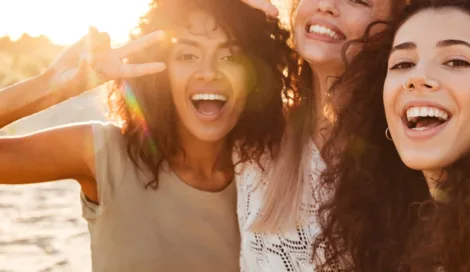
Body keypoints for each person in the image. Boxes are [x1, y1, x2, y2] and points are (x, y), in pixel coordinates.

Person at [233, 0, 470, 271]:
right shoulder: (257, 138)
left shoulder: (420, 155)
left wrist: (444, 12)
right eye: (405, 62)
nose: (326, 4)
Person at [0, 0, 295, 270]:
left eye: (231, 57)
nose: (209, 72)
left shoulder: (277, 176)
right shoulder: (106, 154)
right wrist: (53, 85)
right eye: (188, 55)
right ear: (160, 72)